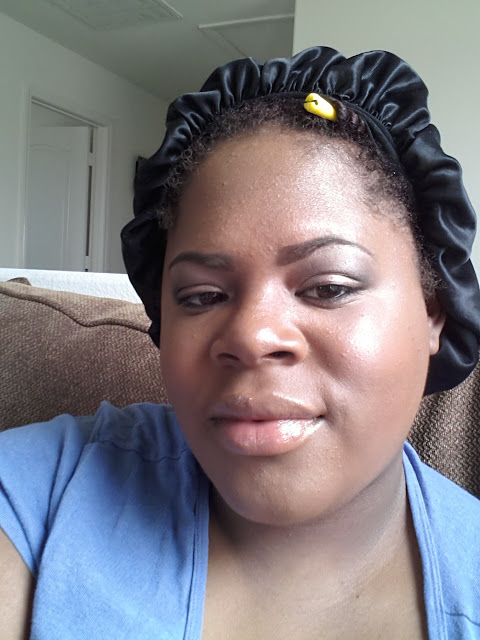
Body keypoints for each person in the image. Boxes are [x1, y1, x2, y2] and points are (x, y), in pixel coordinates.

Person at [1, 46, 480, 639]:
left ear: (435, 311)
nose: (250, 337)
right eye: (202, 295)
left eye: (328, 288)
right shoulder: (44, 491)